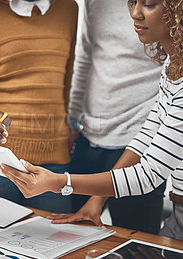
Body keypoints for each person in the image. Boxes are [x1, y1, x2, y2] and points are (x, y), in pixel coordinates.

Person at [0, 0, 183, 249]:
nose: (135, 13)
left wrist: (58, 182)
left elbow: (148, 175)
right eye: (133, 3)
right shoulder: (176, 65)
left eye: (149, 4)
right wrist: (97, 199)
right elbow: (147, 135)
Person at [0, 0, 78, 213]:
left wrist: (67, 129)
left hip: (53, 158)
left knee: (54, 241)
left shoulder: (68, 8)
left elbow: (65, 81)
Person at [64, 0, 165, 234]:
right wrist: (73, 120)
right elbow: (85, 57)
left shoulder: (160, 6)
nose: (136, 12)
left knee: (134, 240)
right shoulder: (94, 2)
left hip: (139, 138)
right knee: (71, 232)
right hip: (89, 136)